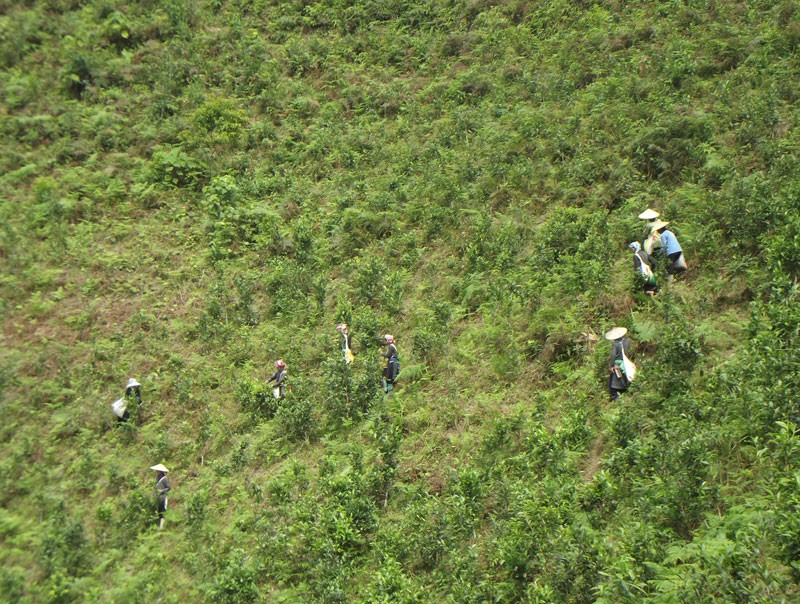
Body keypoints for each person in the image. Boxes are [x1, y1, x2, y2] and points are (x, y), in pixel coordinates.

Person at [605, 327, 632, 401]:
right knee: (624, 379)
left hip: (618, 364)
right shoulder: (626, 342)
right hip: (626, 364)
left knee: (614, 382)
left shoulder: (615, 345)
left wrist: (611, 366)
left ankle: (615, 397)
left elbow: (613, 355)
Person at [150, 464, 170, 529]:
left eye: (157, 471)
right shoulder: (157, 478)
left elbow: (168, 488)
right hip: (158, 497)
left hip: (163, 497)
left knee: (163, 511)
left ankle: (162, 526)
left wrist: (161, 491)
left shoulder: (165, 479)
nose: (156, 472)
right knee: (159, 511)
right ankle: (159, 526)